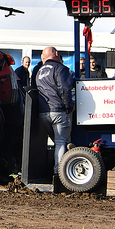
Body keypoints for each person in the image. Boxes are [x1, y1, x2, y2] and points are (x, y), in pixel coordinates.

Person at [36, 47, 74, 175]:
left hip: (43, 112)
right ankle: (59, 172)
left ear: (43, 57)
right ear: (56, 54)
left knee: (57, 140)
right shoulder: (60, 69)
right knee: (60, 142)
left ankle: (68, 149)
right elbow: (65, 89)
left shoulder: (38, 70)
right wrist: (69, 107)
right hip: (57, 111)